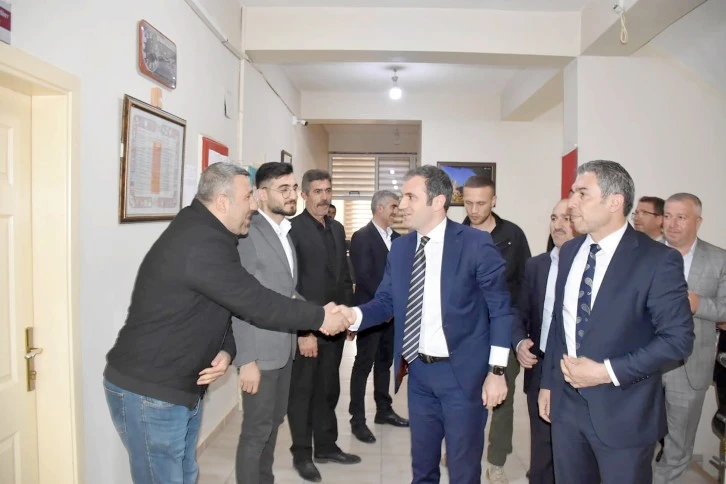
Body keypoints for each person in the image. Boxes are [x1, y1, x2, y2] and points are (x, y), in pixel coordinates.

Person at [103, 162, 349, 484]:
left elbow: (222, 303)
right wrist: (320, 318)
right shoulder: (200, 243)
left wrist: (227, 349)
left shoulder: (212, 233)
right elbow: (254, 301)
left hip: (178, 386)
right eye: (247, 197)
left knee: (185, 474)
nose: (253, 205)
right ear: (222, 202)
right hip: (151, 390)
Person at [339, 165, 513, 484]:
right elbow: (386, 301)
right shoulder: (401, 248)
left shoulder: (475, 244)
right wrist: (353, 316)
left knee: (463, 471)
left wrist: (497, 372)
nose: (402, 205)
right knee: (422, 468)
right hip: (419, 374)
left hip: (463, 376)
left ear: (438, 201)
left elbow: (501, 310)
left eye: (411, 197)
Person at [538, 160, 694, 484]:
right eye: (572, 193)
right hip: (566, 409)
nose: (571, 203)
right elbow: (559, 324)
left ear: (615, 202)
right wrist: (548, 383)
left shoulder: (657, 260)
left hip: (624, 411)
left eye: (582, 193)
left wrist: (605, 371)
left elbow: (677, 340)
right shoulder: (569, 251)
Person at [232, 162, 304, 484]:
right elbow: (238, 298)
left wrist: (318, 313)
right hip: (259, 353)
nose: (292, 195)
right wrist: (246, 359)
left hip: (284, 348)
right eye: (283, 189)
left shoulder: (284, 232)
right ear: (261, 194)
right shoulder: (248, 233)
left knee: (273, 423)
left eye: (294, 188)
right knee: (256, 431)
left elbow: (285, 291)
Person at [287, 170, 360, 482]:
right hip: (308, 327)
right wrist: (304, 331)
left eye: (328, 190)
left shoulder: (337, 228)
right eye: (317, 191)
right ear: (304, 195)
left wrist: (349, 317)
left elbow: (343, 276)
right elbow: (289, 285)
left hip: (335, 327)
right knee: (303, 392)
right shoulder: (292, 230)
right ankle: (302, 453)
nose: (324, 197)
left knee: (329, 388)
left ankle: (327, 446)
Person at [461, 175, 531, 484]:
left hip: (506, 329)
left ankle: (496, 460)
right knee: (464, 397)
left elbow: (525, 285)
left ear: (494, 201)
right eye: (468, 203)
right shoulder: (456, 235)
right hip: (466, 332)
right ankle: (462, 449)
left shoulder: (513, 235)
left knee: (503, 398)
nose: (474, 210)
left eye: (481, 203)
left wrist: (522, 332)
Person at [654, 193, 726, 484]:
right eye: (667, 216)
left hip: (690, 365)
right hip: (643, 363)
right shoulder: (644, 254)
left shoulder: (719, 258)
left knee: (678, 445)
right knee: (634, 439)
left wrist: (699, 304)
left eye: (681, 217)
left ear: (698, 221)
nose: (672, 223)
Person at [513, 199, 576, 484]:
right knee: (542, 447)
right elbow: (519, 312)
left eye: (566, 218)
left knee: (574, 451)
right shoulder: (536, 266)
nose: (558, 225)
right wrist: (519, 342)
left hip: (579, 369)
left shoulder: (593, 268)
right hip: (540, 367)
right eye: (553, 218)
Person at [348, 190, 408, 445]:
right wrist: (383, 307)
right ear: (380, 208)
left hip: (392, 316)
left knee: (385, 363)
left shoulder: (398, 239)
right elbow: (364, 277)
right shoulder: (362, 237)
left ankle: (384, 410)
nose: (397, 211)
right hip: (371, 313)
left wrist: (395, 308)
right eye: (393, 206)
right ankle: (357, 420)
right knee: (363, 365)